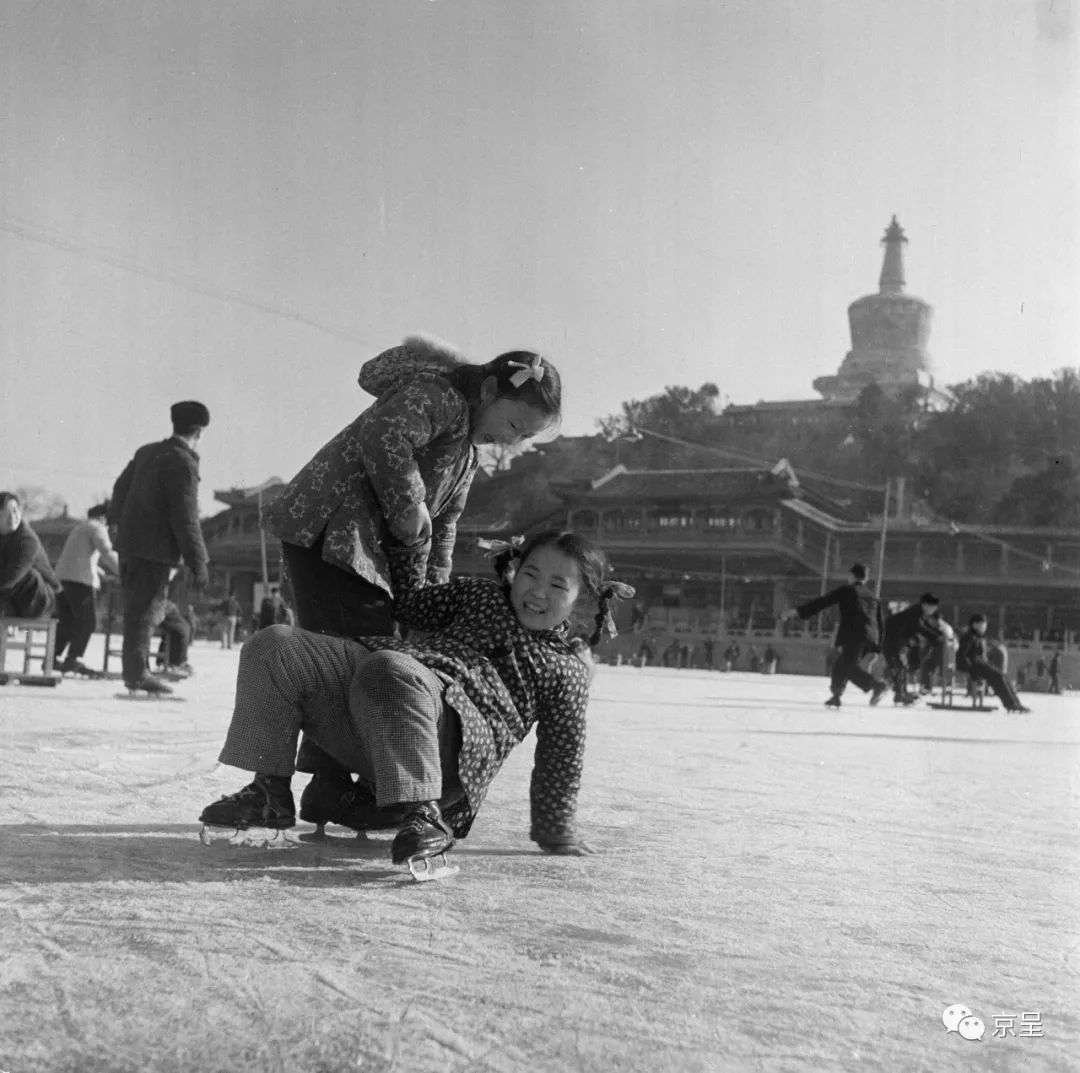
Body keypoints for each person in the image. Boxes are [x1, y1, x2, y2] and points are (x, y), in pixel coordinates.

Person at [198, 529, 634, 875]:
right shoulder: (480, 596)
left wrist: (556, 830)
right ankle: (269, 792)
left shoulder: (564, 668)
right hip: (383, 703)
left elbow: (562, 753)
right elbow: (410, 605)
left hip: (448, 750)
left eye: (558, 585)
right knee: (275, 646)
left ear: (583, 601)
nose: (537, 591)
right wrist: (411, 544)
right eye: (531, 574)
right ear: (514, 570)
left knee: (390, 670)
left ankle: (422, 813)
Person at [263, 335, 562, 809]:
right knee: (345, 652)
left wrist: (431, 602)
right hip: (335, 530)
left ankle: (329, 782)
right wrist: (408, 501)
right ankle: (309, 783)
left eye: (523, 437)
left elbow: (442, 531)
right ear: (486, 390)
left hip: (367, 554)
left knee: (365, 647)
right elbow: (384, 432)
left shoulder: (467, 454)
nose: (511, 440)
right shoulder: (440, 396)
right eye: (511, 424)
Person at [110, 401, 210, 695]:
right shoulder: (183, 461)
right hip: (155, 551)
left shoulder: (147, 452)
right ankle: (137, 674)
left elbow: (119, 488)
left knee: (137, 609)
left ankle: (136, 671)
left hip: (128, 547)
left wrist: (118, 525)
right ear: (201, 431)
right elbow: (186, 516)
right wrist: (198, 561)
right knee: (146, 609)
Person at [789, 563, 887, 708]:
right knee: (841, 665)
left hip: (854, 634)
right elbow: (881, 623)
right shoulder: (874, 597)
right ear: (865, 579)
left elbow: (822, 602)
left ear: (851, 576)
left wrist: (797, 612)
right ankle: (836, 695)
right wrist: (878, 648)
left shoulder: (846, 590)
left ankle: (876, 685)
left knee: (848, 666)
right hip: (871, 636)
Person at [53, 502, 119, 675]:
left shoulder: (80, 527)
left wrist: (98, 570)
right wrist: (123, 572)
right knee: (87, 622)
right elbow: (107, 552)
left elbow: (77, 555)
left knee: (67, 622)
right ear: (104, 517)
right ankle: (73, 659)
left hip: (62, 578)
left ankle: (52, 657)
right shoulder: (97, 528)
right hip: (80, 581)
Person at [0, 492, 61, 619]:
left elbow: (11, 578)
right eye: (5, 512)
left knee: (28, 576)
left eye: (15, 511)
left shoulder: (26, 540)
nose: (12, 517)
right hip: (11, 598)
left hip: (41, 600)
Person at [956, 614, 1029, 713]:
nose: (984, 627)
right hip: (974, 666)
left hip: (980, 665)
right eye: (982, 624)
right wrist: (970, 670)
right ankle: (1010, 704)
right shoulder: (969, 637)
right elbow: (962, 656)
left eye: (985, 624)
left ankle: (1015, 703)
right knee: (998, 676)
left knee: (1001, 675)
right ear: (975, 624)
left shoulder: (978, 636)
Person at [881, 592, 945, 705]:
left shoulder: (918, 612)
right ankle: (899, 694)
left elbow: (923, 625)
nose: (934, 610)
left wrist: (938, 634)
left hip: (897, 639)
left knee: (900, 666)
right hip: (891, 639)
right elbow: (919, 627)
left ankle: (900, 694)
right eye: (933, 607)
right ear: (925, 605)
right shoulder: (914, 613)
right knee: (898, 666)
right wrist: (936, 636)